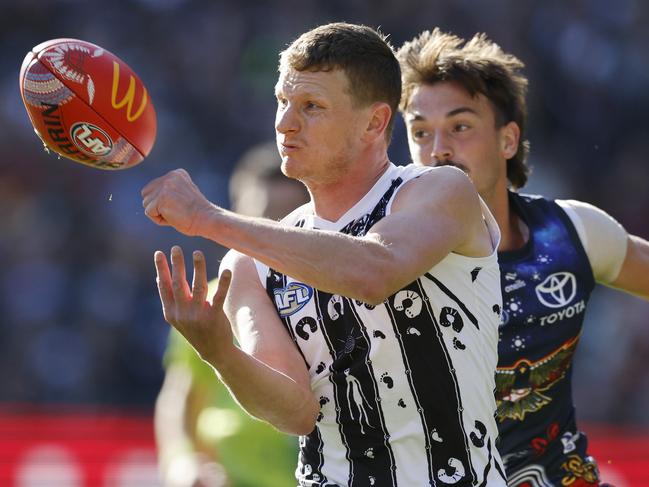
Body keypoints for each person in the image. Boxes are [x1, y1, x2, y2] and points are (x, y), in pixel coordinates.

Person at [142, 22, 507, 486]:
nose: (284, 124)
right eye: (282, 102)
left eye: (311, 107)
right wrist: (220, 353)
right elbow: (295, 411)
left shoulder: (438, 190)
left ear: (374, 122)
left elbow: (376, 271)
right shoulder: (247, 264)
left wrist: (209, 219)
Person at [396, 28, 649, 486]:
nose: (438, 151)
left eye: (460, 126)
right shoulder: (384, 261)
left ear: (508, 140)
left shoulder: (573, 233)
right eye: (420, 132)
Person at [154, 142, 309, 487]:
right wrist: (182, 463)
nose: (270, 232)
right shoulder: (205, 301)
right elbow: (180, 398)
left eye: (287, 220)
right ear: (235, 214)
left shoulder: (342, 300)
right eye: (260, 218)